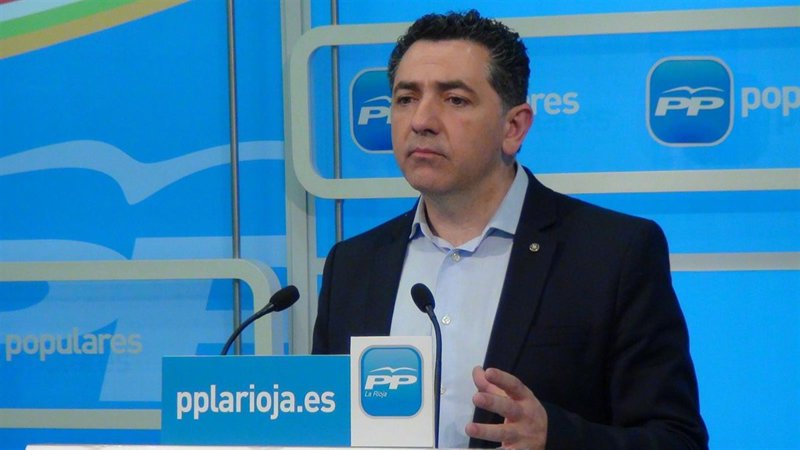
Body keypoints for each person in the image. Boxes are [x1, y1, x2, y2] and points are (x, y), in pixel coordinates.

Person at [312, 9, 708, 450]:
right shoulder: (353, 265)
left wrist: (554, 437)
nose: (421, 120)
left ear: (513, 127)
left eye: (454, 99)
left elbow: (677, 440)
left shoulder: (612, 255)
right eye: (406, 98)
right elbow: (323, 431)